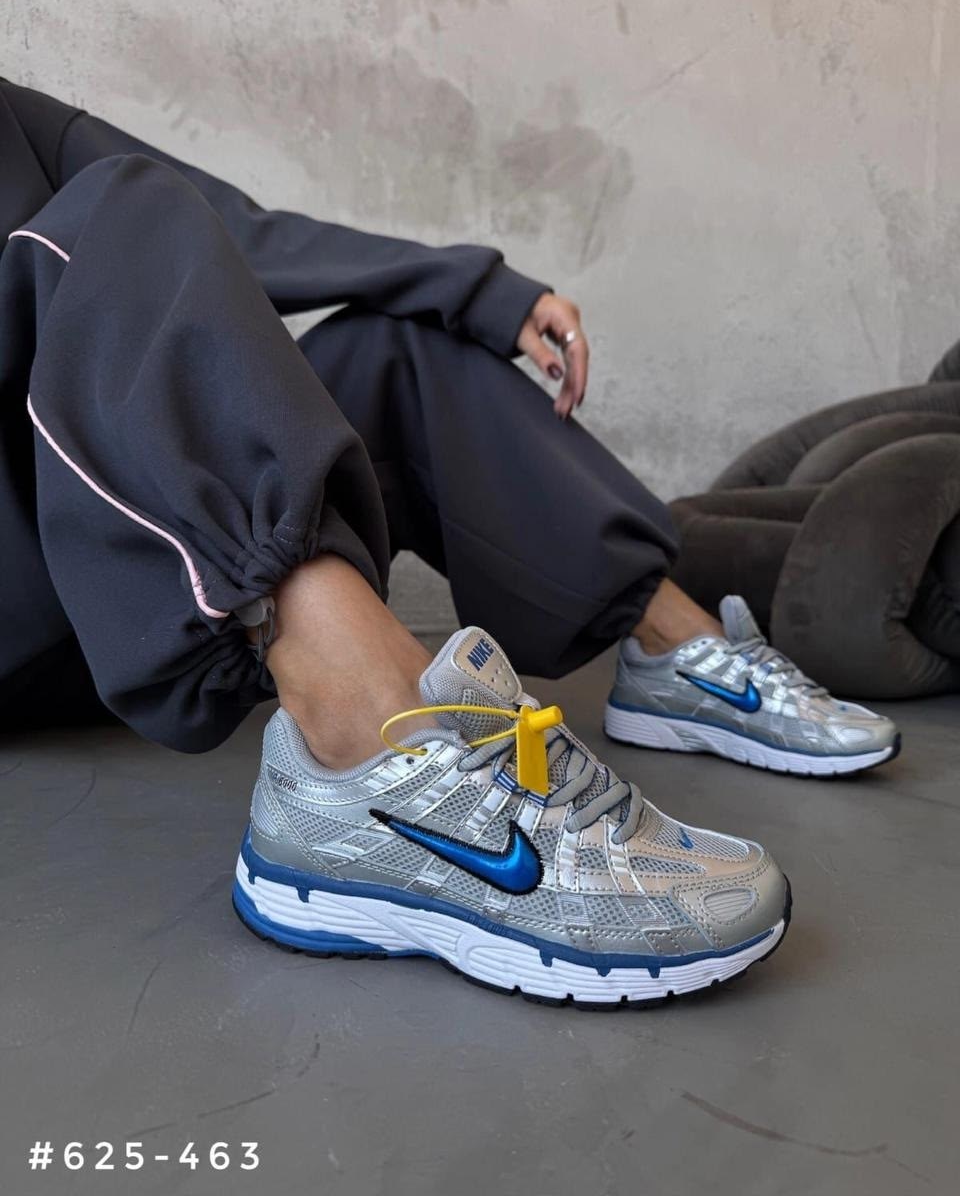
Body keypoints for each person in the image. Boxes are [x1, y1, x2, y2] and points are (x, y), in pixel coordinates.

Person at [0, 78, 897, 1005]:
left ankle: (678, 656)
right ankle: (375, 751)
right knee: (108, 217)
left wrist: (479, 292)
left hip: (130, 579)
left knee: (390, 344)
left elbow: (226, 229)